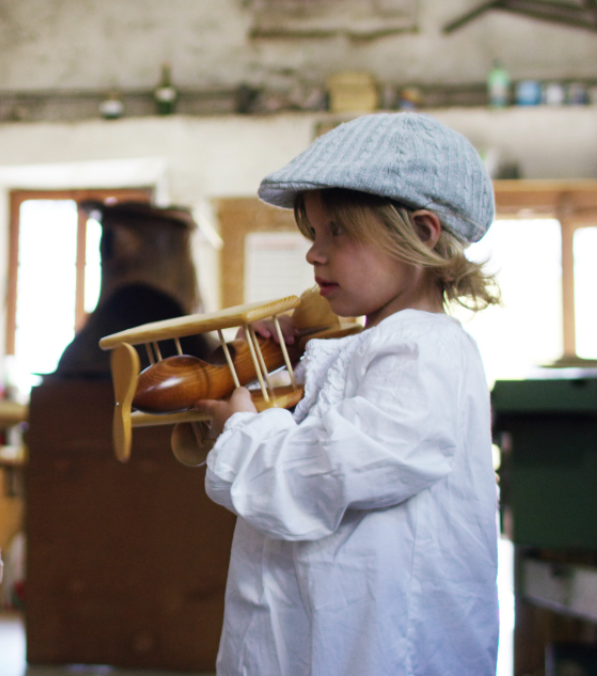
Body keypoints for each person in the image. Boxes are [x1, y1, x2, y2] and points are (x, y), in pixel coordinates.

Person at [195, 113, 501, 676]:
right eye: (314, 232)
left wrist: (245, 428)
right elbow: (322, 426)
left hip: (384, 653)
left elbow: (326, 471)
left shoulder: (425, 353)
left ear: (422, 234)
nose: (315, 253)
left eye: (339, 231)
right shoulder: (371, 345)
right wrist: (271, 369)